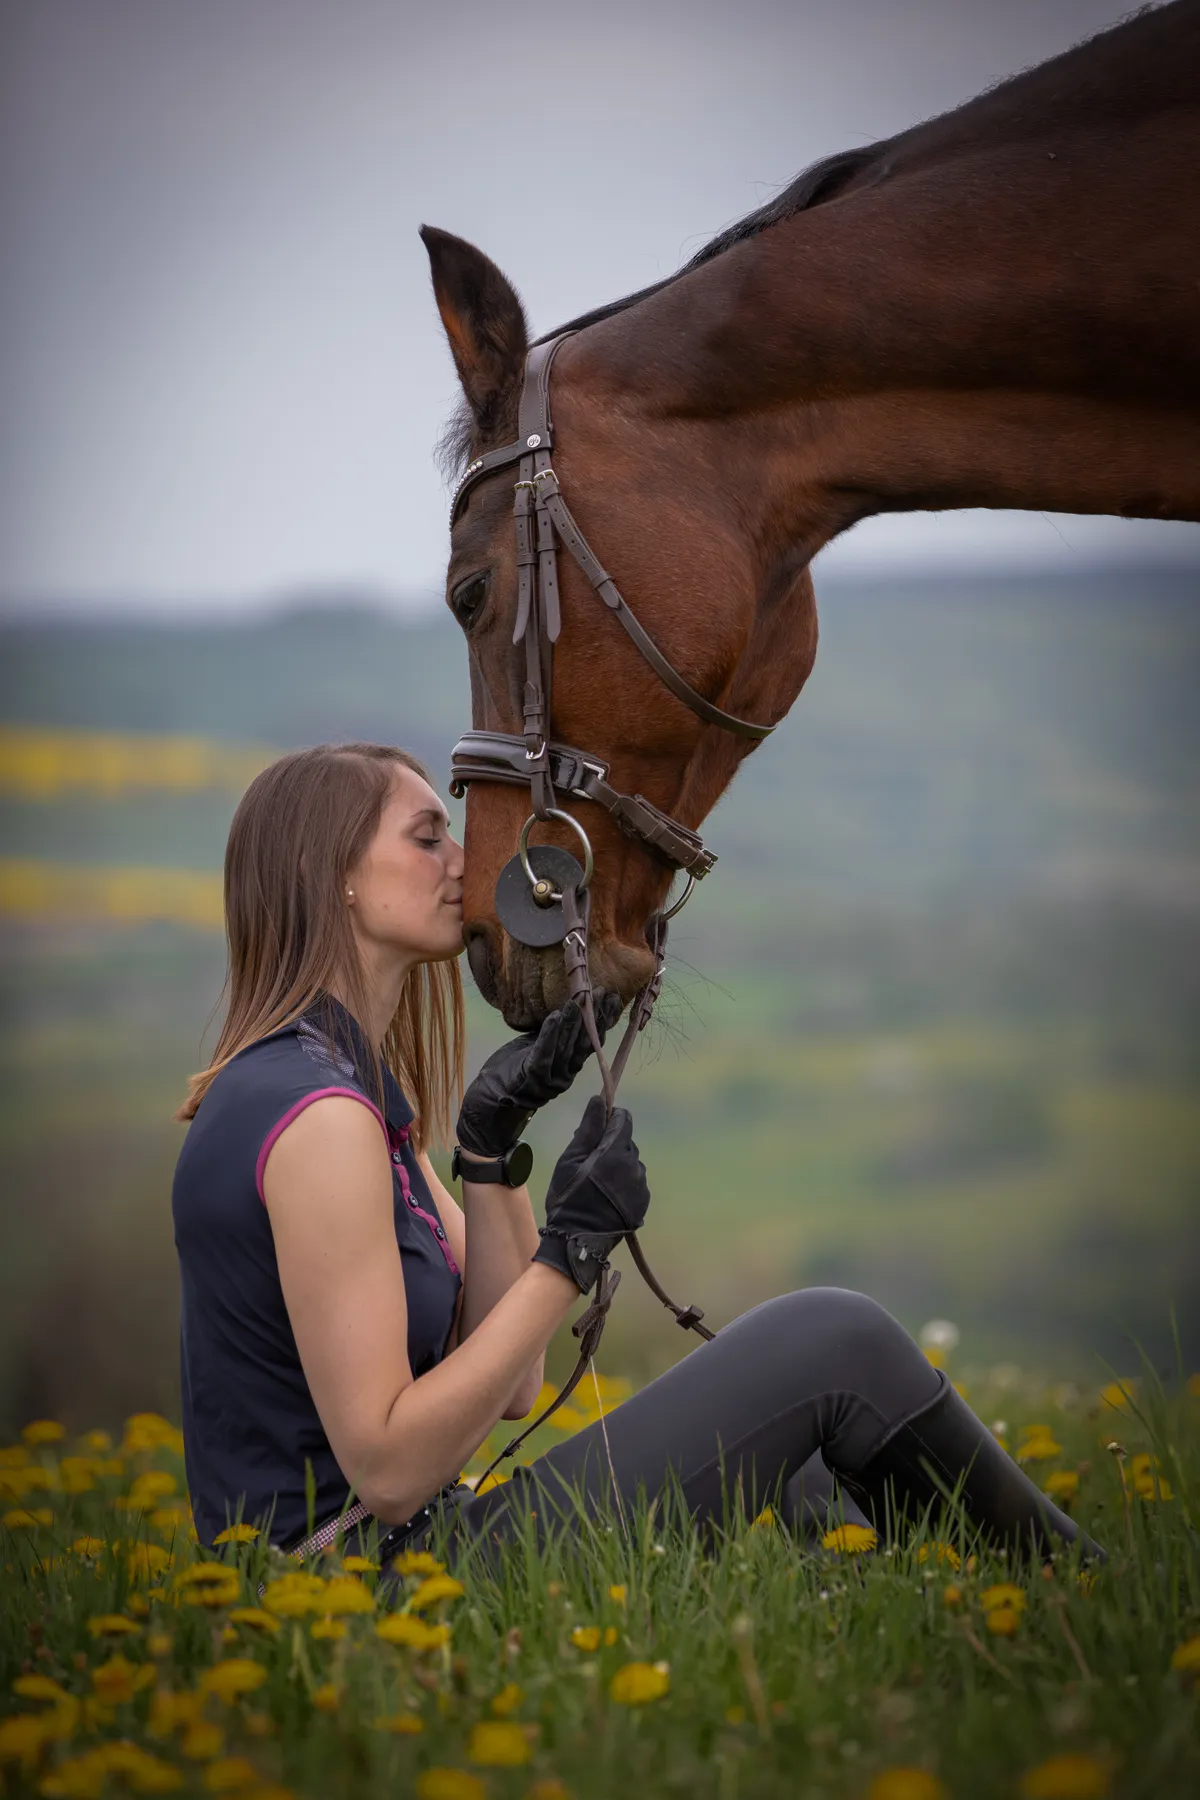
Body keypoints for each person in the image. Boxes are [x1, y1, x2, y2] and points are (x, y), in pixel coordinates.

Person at [173, 742, 1102, 1567]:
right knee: (834, 1338)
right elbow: (388, 1471)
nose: (467, 861)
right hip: (356, 1591)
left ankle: (996, 1603)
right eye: (428, 838)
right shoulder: (320, 1118)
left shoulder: (342, 1091)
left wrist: (492, 1157)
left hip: (402, 1559)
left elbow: (510, 1386)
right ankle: (1090, 1596)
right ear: (322, 868)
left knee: (805, 1472)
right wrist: (571, 1256)